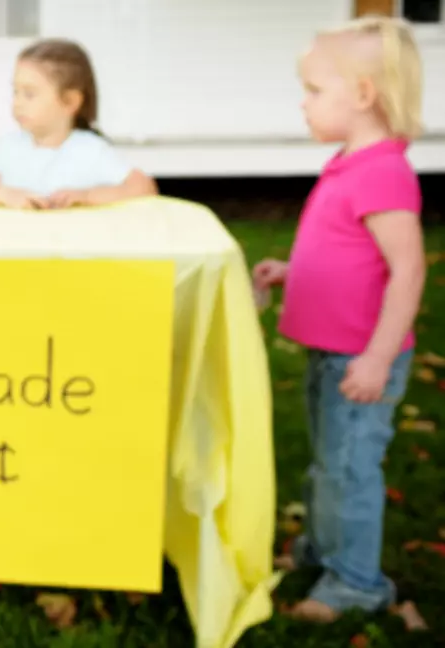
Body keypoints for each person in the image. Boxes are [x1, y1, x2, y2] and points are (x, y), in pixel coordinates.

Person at [253, 16, 425, 623]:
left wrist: (378, 358)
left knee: (350, 469)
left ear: (362, 96)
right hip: (335, 353)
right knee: (330, 460)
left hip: (361, 358)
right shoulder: (352, 163)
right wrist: (291, 270)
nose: (303, 102)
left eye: (314, 90)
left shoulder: (383, 172)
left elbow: (407, 272)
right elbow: (346, 254)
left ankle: (355, 584)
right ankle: (324, 552)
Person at [0, 39, 156, 210]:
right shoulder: (7, 146)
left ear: (70, 102)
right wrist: (5, 195)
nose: (17, 103)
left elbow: (144, 187)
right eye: (15, 91)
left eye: (29, 94)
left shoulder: (91, 150)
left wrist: (87, 196)